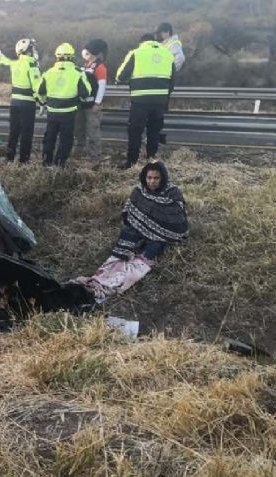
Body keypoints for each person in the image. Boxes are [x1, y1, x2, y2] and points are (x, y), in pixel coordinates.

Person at [73, 161, 188, 302]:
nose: (152, 182)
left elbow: (178, 220)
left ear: (163, 178)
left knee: (142, 261)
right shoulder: (139, 190)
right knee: (121, 253)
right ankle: (98, 281)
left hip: (160, 236)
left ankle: (112, 287)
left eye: (156, 178)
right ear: (144, 177)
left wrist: (156, 231)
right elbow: (129, 211)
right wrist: (140, 226)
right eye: (149, 178)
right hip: (137, 230)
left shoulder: (173, 192)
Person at [116, 34, 175, 169]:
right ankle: (151, 160)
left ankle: (132, 162)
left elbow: (120, 76)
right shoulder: (167, 54)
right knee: (154, 131)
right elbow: (172, 81)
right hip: (160, 101)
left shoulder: (136, 53)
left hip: (140, 101)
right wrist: (164, 98)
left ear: (142, 42)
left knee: (135, 131)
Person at [37, 43, 92, 167]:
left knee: (49, 137)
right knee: (66, 139)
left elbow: (39, 91)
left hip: (52, 112)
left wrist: (42, 102)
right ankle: (59, 165)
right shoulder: (77, 73)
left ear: (57, 57)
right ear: (71, 57)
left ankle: (46, 163)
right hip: (69, 113)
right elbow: (86, 93)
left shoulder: (48, 72)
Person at [0, 38, 42, 163]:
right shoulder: (32, 64)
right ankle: (23, 161)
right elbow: (37, 87)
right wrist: (42, 102)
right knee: (26, 134)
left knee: (14, 132)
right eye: (32, 48)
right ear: (27, 51)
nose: (34, 51)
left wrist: (0, 56)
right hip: (27, 104)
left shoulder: (15, 63)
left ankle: (9, 158)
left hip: (14, 103)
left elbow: (5, 61)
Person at [74, 39, 108, 159]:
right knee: (79, 129)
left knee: (93, 130)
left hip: (92, 105)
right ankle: (79, 152)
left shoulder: (99, 66)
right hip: (82, 104)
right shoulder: (86, 65)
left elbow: (102, 85)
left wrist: (97, 103)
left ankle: (95, 155)